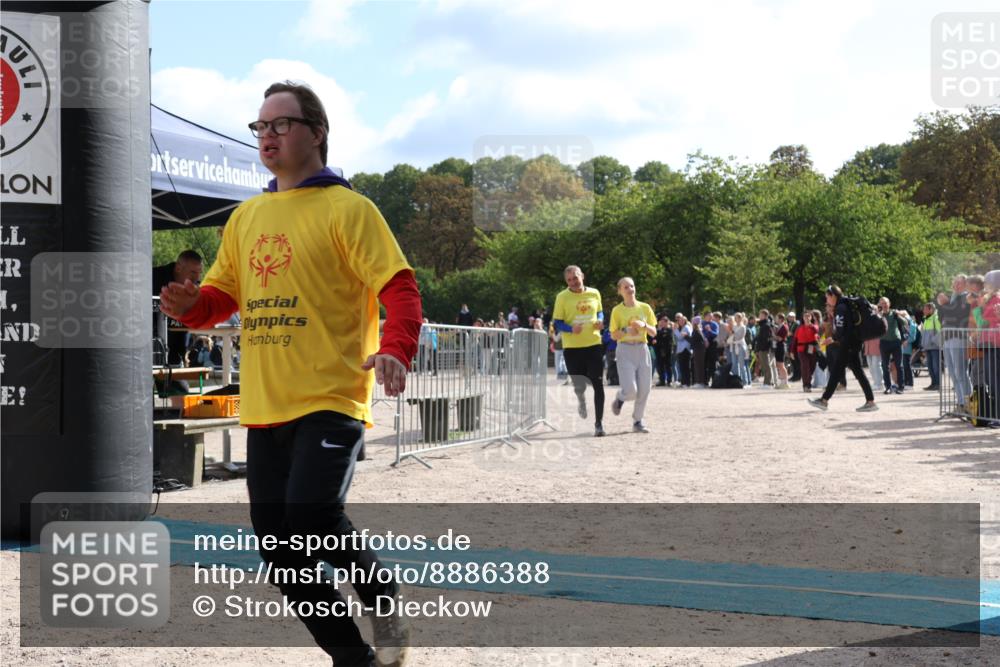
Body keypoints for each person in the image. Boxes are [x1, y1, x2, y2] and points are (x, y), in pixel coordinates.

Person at [159, 81, 422, 667]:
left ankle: (382, 596)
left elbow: (400, 289)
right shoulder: (247, 215)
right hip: (266, 406)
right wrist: (187, 306)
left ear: (316, 133)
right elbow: (219, 300)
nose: (267, 136)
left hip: (332, 395)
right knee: (279, 551)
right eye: (260, 127)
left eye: (280, 124)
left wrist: (397, 348)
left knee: (310, 516)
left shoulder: (350, 209)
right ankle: (353, 659)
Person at [552, 265, 606, 436]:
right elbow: (557, 322)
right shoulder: (562, 297)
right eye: (569, 280)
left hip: (593, 344)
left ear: (582, 275)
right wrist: (569, 329)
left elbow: (600, 312)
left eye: (575, 278)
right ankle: (581, 399)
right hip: (573, 348)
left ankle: (599, 424)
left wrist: (599, 320)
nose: (573, 282)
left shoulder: (594, 293)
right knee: (579, 384)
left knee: (598, 383)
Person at [809, 285, 877, 412]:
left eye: (827, 297)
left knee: (836, 372)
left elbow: (841, 329)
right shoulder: (845, 305)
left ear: (833, 296)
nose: (826, 300)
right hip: (853, 343)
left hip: (847, 344)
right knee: (857, 373)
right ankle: (870, 401)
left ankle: (824, 400)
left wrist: (833, 338)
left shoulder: (840, 308)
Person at [608, 277, 657, 433]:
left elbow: (654, 332)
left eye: (632, 286)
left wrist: (644, 325)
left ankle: (638, 421)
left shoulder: (645, 308)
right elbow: (613, 335)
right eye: (626, 287)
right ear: (620, 291)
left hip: (642, 349)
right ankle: (621, 397)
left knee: (645, 388)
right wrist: (625, 331)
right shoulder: (617, 310)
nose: (630, 289)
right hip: (625, 350)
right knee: (631, 390)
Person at [152, 249, 203, 367]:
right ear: (178, 268)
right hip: (148, 353)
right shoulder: (152, 278)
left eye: (199, 272)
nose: (197, 277)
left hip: (177, 357)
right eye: (193, 272)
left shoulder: (195, 288)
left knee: (180, 385)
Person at [877, 297, 905, 395]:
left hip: (896, 342)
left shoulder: (894, 313)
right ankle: (888, 387)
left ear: (889, 304)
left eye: (885, 303)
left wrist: (899, 316)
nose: (884, 305)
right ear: (880, 305)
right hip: (884, 342)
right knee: (885, 366)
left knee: (899, 365)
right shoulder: (878, 315)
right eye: (882, 303)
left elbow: (905, 322)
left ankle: (900, 387)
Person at [793, 310, 819, 392]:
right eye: (805, 316)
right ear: (803, 318)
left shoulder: (815, 327)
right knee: (805, 366)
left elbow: (818, 333)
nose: (807, 318)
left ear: (811, 317)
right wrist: (791, 351)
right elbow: (795, 341)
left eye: (808, 316)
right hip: (801, 350)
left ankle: (808, 382)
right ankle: (806, 385)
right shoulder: (799, 328)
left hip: (812, 349)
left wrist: (812, 326)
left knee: (812, 367)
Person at [920, 302, 942, 391]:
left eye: (925, 309)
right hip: (928, 347)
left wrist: (933, 340)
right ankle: (933, 384)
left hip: (934, 347)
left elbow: (941, 331)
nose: (923, 311)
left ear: (931, 309)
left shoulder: (935, 319)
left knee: (936, 366)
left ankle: (938, 384)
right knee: (930, 366)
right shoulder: (926, 320)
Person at [755, 309, 776, 387]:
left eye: (761, 315)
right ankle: (766, 382)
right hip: (761, 348)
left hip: (764, 349)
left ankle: (768, 383)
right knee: (764, 366)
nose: (759, 316)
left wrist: (761, 348)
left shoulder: (766, 325)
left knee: (766, 366)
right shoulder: (762, 325)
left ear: (765, 316)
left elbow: (765, 339)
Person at [653, 315, 674, 387]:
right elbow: (654, 338)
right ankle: (662, 380)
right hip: (659, 350)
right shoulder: (658, 330)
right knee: (660, 366)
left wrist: (659, 334)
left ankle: (669, 381)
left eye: (664, 321)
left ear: (667, 322)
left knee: (668, 366)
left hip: (667, 350)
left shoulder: (669, 330)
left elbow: (666, 338)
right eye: (661, 321)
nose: (662, 323)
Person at [674, 314, 692, 387]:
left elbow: (680, 338)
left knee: (685, 367)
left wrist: (675, 330)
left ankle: (686, 383)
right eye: (679, 320)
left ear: (685, 321)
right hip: (682, 350)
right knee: (682, 367)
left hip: (684, 350)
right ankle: (684, 382)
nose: (680, 322)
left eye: (682, 320)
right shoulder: (682, 328)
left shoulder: (686, 327)